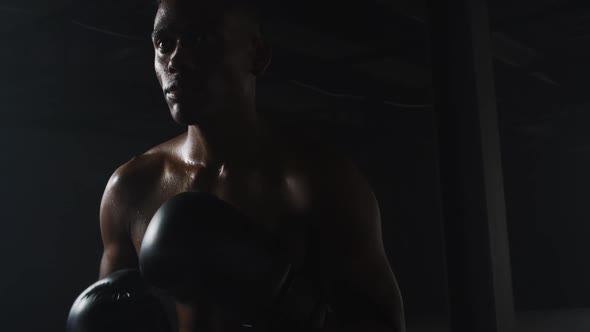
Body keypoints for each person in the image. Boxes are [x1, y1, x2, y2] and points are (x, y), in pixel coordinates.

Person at [98, 0, 406, 331]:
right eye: (164, 44)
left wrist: (293, 308)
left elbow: (383, 325)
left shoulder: (320, 184)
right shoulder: (131, 188)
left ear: (257, 56)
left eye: (201, 40)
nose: (176, 59)